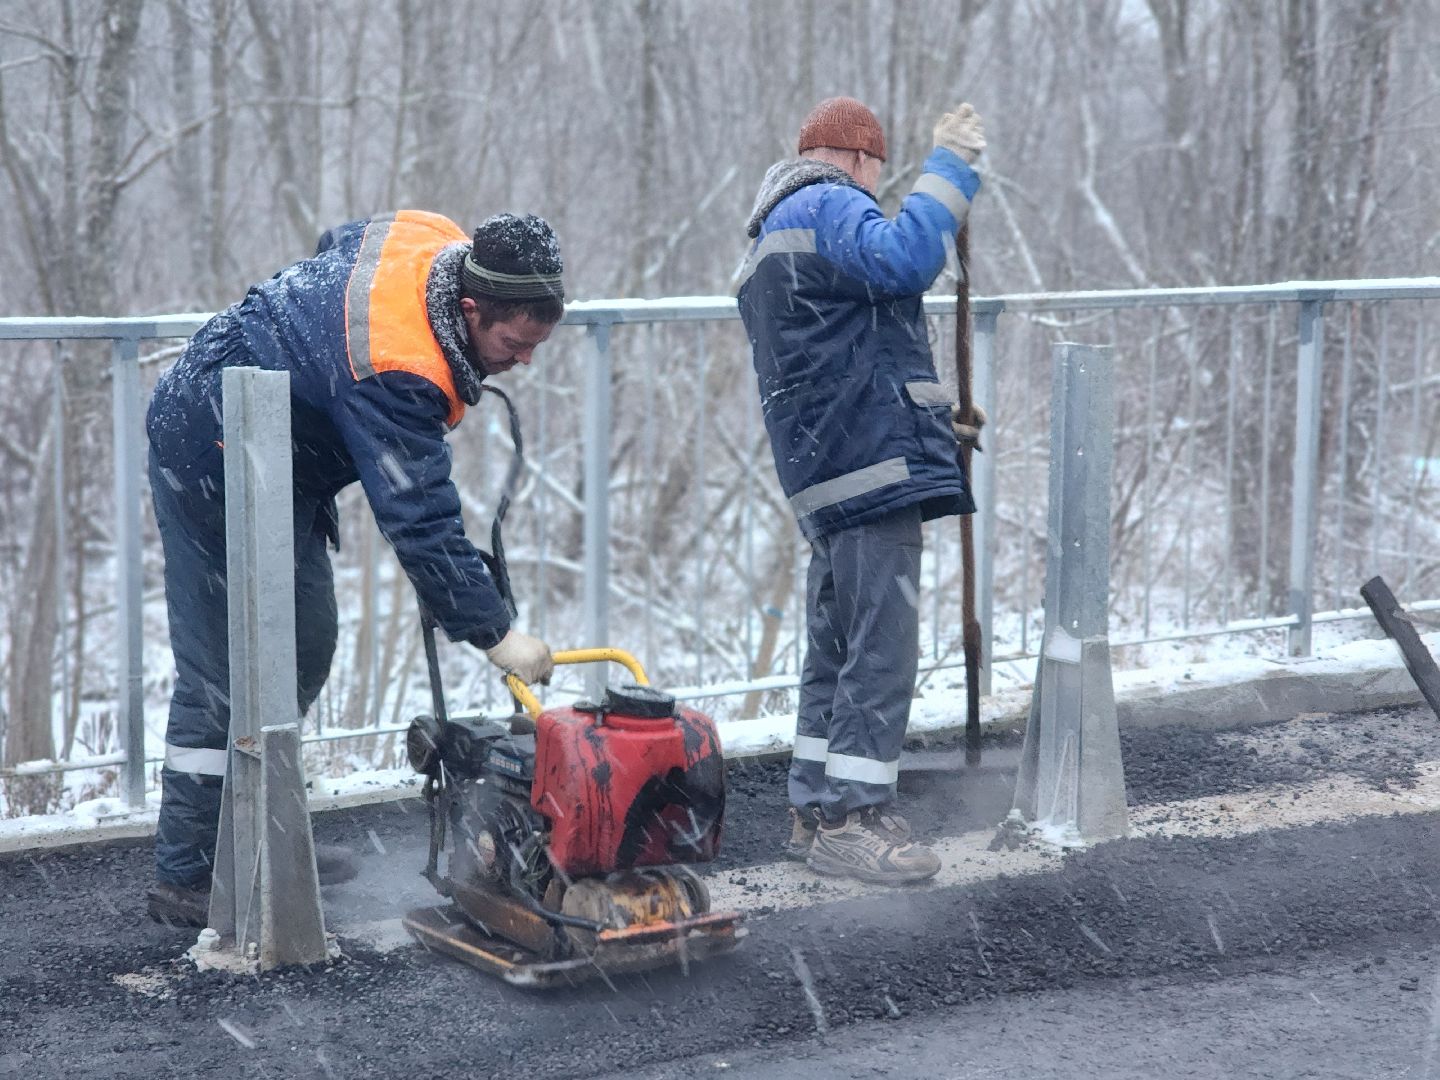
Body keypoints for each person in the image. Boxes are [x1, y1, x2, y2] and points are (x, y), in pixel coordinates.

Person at [144, 210, 564, 925]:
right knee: (219, 674)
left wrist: (308, 358)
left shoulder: (430, 237)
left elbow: (338, 243)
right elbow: (420, 520)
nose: (521, 361)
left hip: (278, 453)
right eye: (513, 343)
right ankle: (189, 872)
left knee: (304, 644)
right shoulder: (398, 366)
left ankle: (264, 842)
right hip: (209, 443)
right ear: (469, 309)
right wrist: (495, 633)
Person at [736, 97, 987, 885]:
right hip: (870, 469)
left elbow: (849, 351)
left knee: (838, 641)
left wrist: (935, 422)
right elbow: (911, 259)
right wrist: (951, 170)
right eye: (879, 172)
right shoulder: (829, 201)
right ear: (859, 160)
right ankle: (854, 818)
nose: (877, 188)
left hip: (827, 467)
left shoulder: (776, 230)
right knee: (881, 644)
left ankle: (813, 807)